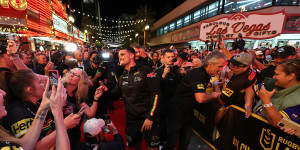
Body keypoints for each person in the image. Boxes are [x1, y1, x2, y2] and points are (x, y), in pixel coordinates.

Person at [165, 51, 227, 150]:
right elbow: (201, 98)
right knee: (172, 143)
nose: (221, 70)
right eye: (219, 66)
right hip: (176, 112)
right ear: (210, 64)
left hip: (188, 111)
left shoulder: (205, 74)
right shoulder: (198, 74)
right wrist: (214, 95)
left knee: (185, 141)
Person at [0, 74, 70, 149]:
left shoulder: (37, 104)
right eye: (40, 82)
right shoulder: (18, 112)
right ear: (29, 89)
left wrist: (46, 106)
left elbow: (27, 145)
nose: (4, 93)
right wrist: (63, 122)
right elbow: (34, 148)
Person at [111, 47, 160, 150]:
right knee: (135, 146)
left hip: (147, 118)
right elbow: (114, 95)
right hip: (131, 120)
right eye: (119, 55)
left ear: (132, 55)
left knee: (153, 147)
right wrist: (104, 90)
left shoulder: (146, 70)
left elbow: (156, 94)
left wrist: (150, 117)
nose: (120, 57)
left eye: (123, 54)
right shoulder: (121, 76)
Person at [254, 59, 300, 135]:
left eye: (277, 74)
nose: (273, 77)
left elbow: (277, 123)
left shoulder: (297, 100)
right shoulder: (276, 83)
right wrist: (248, 105)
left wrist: (266, 101)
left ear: (291, 76)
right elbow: (251, 89)